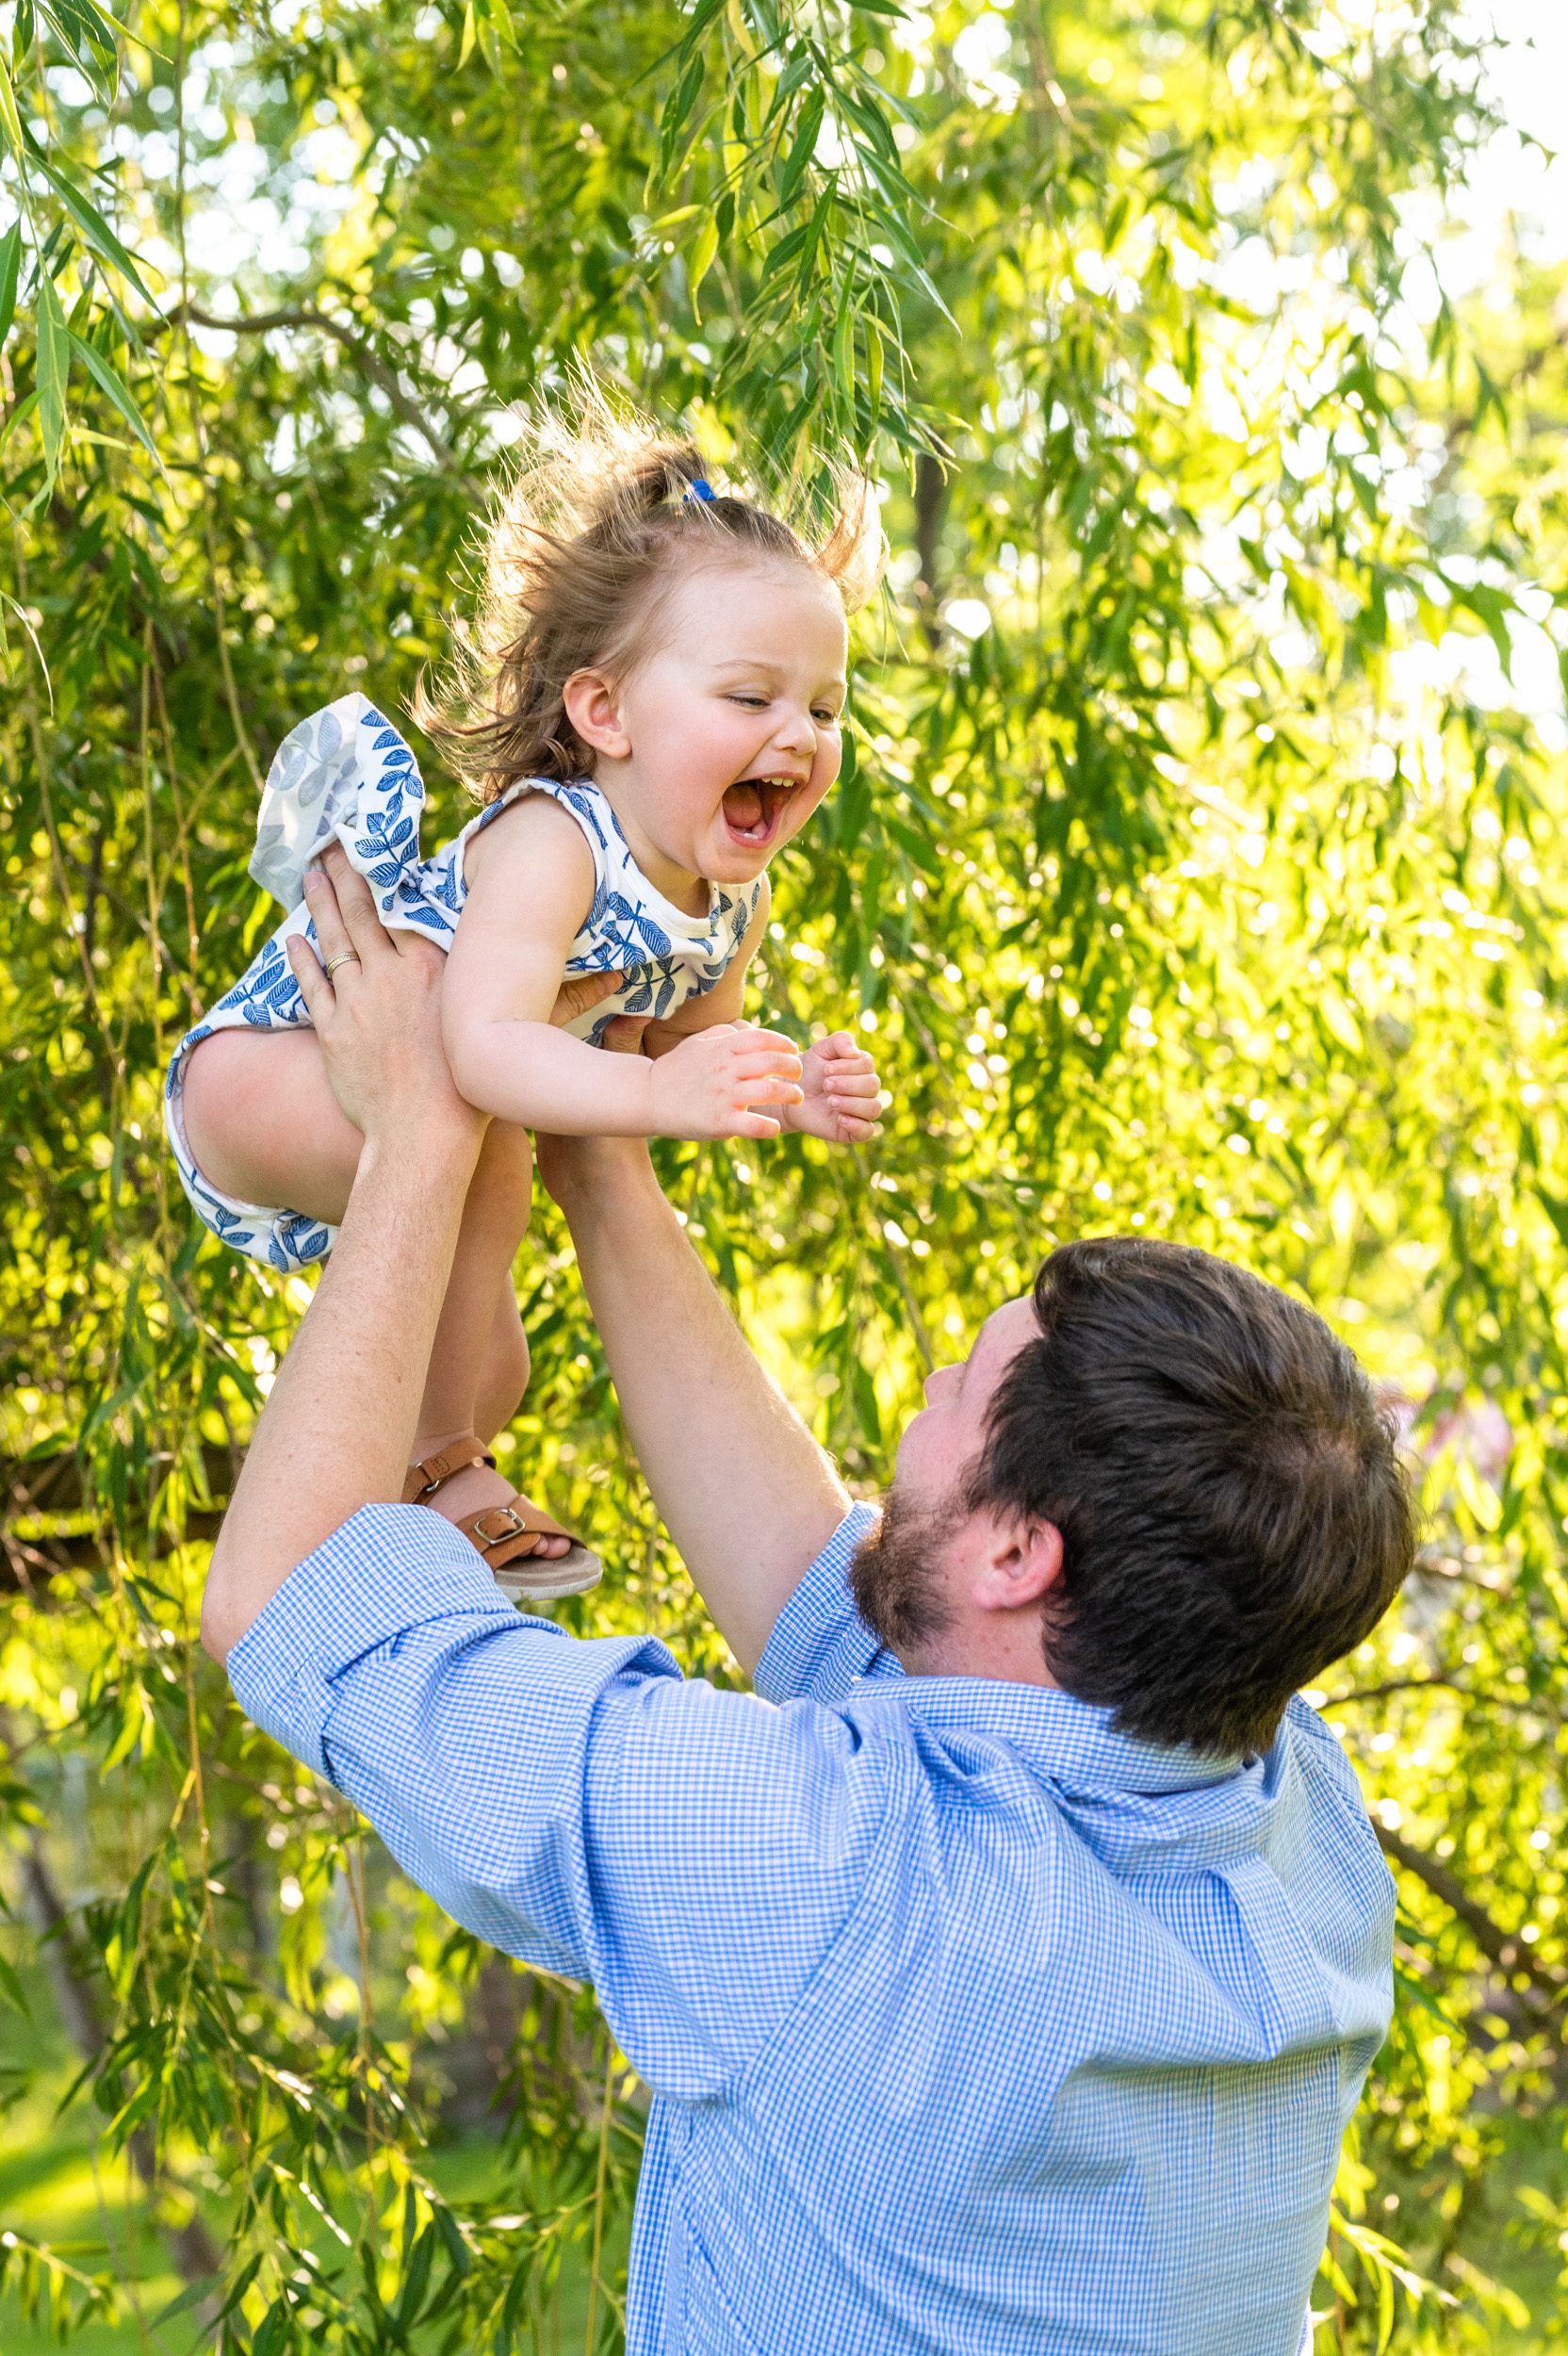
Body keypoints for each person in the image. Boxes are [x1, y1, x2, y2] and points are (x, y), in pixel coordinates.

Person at [202, 853, 1416, 2356]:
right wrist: (598, 1148)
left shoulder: (827, 1879)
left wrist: (417, 1137)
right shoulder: (1297, 1819)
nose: (912, 1410)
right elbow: (828, 1597)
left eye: (952, 1394)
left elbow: (291, 1600)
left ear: (1019, 1555)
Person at [166, 395, 883, 1599]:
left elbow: (682, 1045)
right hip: (270, 1062)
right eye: (750, 698)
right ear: (603, 713)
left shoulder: (730, 895)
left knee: (493, 1353)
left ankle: (431, 1466)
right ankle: (432, 1475)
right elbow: (486, 1044)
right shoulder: (554, 841)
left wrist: (779, 1087)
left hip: (406, 1103)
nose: (798, 736)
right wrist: (652, 1086)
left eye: (822, 707)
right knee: (476, 1143)